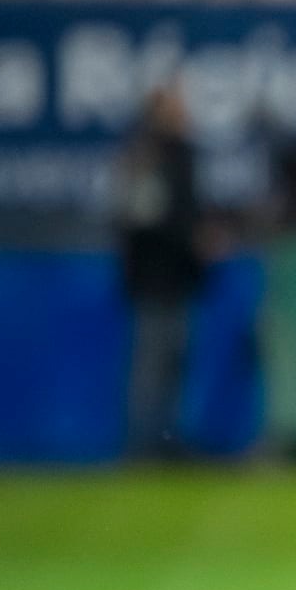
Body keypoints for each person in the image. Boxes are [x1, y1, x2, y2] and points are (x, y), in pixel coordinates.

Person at [116, 85, 209, 459]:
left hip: (177, 276)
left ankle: (168, 443)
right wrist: (192, 238)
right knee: (153, 365)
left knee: (174, 363)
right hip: (154, 277)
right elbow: (140, 219)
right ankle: (145, 445)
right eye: (177, 107)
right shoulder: (147, 156)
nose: (185, 113)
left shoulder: (178, 155)